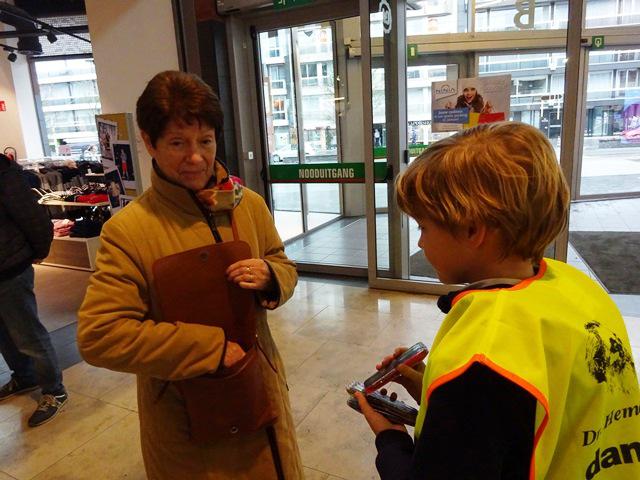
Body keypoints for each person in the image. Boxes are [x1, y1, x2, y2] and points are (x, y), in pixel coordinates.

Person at [355, 122, 640, 479]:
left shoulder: (482, 358)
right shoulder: (577, 287)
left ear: (473, 229)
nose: (420, 243)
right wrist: (434, 391)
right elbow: (534, 410)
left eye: (423, 227)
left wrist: (391, 438)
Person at [77, 71, 303, 479]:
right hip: (186, 421)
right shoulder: (128, 230)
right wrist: (209, 347)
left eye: (205, 141)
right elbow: (100, 335)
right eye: (178, 143)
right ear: (149, 142)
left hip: (260, 390)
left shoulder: (248, 204)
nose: (196, 158)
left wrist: (272, 276)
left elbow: (283, 263)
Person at [0, 153, 68, 427]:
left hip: (11, 268)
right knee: (3, 334)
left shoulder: (4, 175)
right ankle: (24, 377)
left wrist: (38, 252)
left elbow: (33, 216)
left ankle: (54, 390)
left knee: (27, 333)